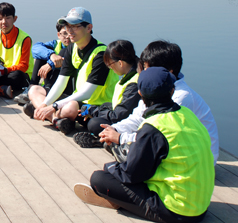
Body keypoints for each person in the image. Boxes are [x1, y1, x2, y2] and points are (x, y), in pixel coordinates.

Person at [74, 67, 215, 223]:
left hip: (178, 212)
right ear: (172, 90)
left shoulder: (154, 126)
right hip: (201, 206)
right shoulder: (188, 115)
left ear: (140, 95)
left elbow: (132, 175)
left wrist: (110, 168)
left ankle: (117, 200)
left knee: (99, 178)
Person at [99, 40, 219, 164]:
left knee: (107, 174)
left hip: (197, 159)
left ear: (169, 71)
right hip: (173, 148)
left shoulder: (182, 97)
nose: (143, 72)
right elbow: (138, 118)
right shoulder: (155, 89)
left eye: (147, 68)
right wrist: (115, 129)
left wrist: (121, 138)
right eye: (144, 67)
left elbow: (160, 136)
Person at [24, 7, 119, 135]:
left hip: (95, 104)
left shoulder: (101, 54)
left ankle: (50, 115)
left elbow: (87, 93)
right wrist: (45, 104)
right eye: (68, 26)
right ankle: (56, 120)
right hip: (76, 99)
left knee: (70, 107)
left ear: (89, 28)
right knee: (34, 89)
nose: (69, 31)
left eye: (75, 26)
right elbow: (61, 81)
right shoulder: (72, 48)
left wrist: (53, 106)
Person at [72, 40, 141, 148]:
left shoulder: (134, 84)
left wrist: (93, 111)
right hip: (122, 112)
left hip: (128, 121)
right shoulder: (131, 74)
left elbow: (119, 115)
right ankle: (105, 140)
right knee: (94, 110)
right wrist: (94, 109)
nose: (110, 69)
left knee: (94, 123)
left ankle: (107, 141)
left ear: (120, 63)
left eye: (110, 65)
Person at [14, 22, 73, 105]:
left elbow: (67, 59)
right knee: (41, 55)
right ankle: (31, 88)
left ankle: (47, 91)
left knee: (63, 52)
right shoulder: (55, 44)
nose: (67, 36)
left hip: (66, 86)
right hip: (52, 80)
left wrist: (50, 64)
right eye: (64, 33)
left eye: (69, 33)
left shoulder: (77, 47)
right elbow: (36, 48)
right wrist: (52, 55)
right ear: (58, 35)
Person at [0, 2, 33, 99]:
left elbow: (24, 66)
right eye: (0, 19)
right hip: (2, 73)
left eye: (8, 18)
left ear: (14, 19)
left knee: (17, 76)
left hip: (20, 74)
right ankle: (1, 90)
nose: (4, 22)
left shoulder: (25, 38)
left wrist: (6, 70)